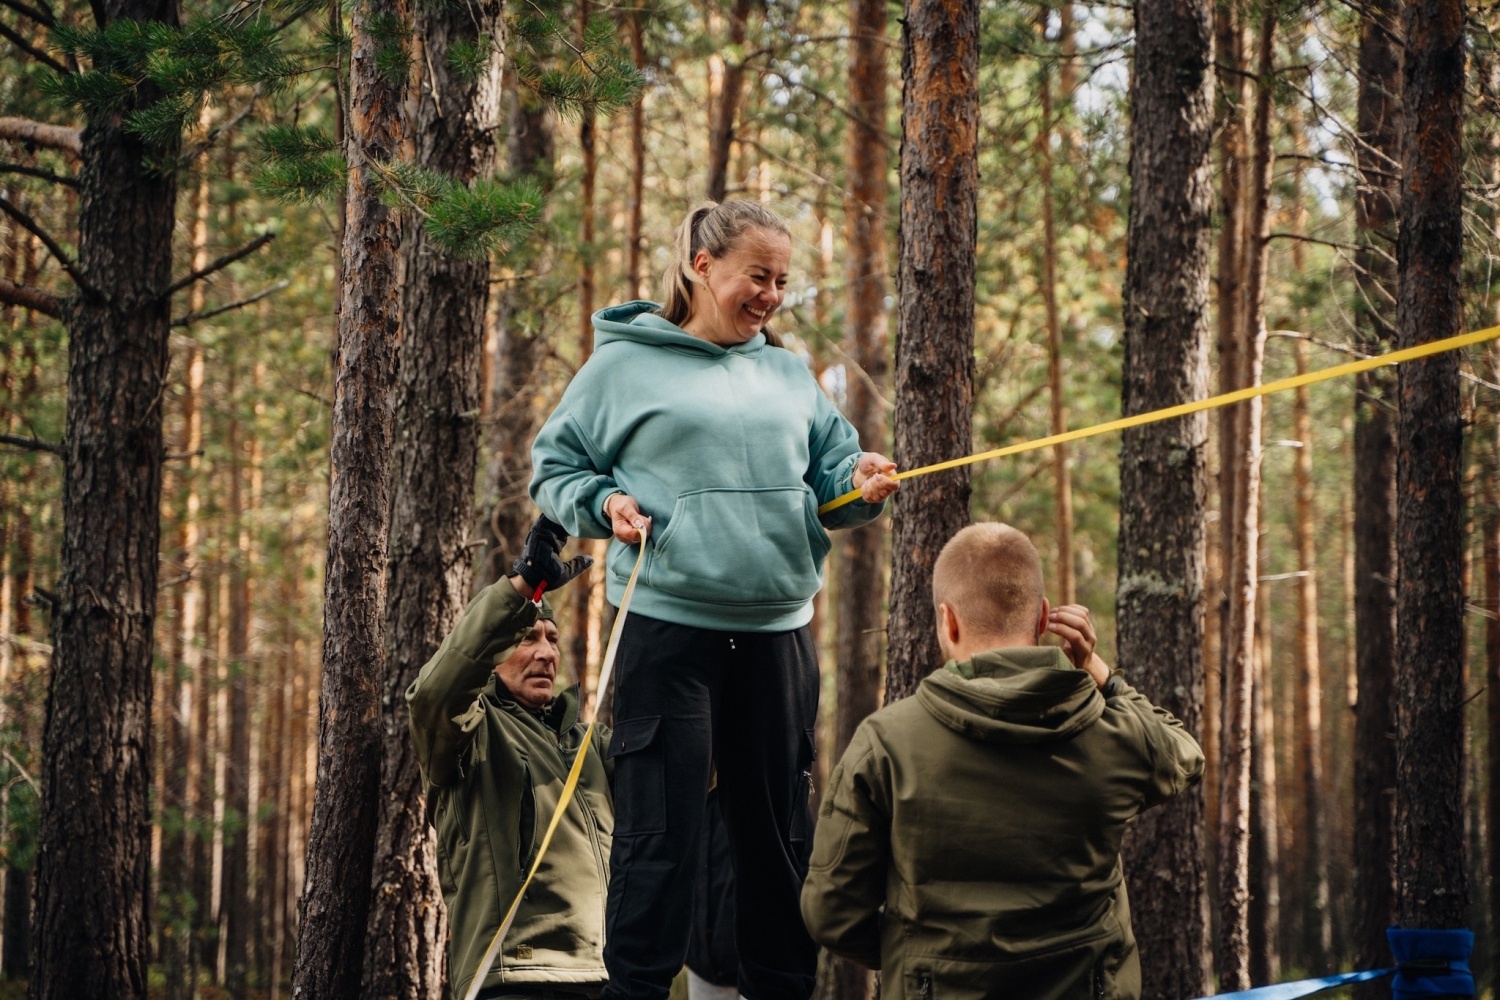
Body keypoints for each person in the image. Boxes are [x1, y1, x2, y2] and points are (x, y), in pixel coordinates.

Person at [529, 199, 900, 1000]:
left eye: (782, 281)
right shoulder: (623, 365)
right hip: (668, 632)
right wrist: (605, 506)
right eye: (756, 277)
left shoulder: (787, 373)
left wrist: (860, 485)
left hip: (777, 638)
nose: (770, 295)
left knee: (777, 842)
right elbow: (555, 469)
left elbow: (833, 479)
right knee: (659, 838)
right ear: (702, 266)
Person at [801, 523, 1205, 1000]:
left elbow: (831, 912)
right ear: (1043, 618)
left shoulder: (886, 744)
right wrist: (1099, 672)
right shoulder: (1112, 733)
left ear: (947, 621)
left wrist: (922, 960)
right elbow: (1183, 755)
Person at [407, 517, 610, 1000]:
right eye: (527, 638)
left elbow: (685, 779)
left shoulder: (591, 745)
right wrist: (524, 587)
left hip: (605, 976)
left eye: (553, 640)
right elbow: (433, 695)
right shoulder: (469, 732)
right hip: (514, 978)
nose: (545, 654)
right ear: (494, 654)